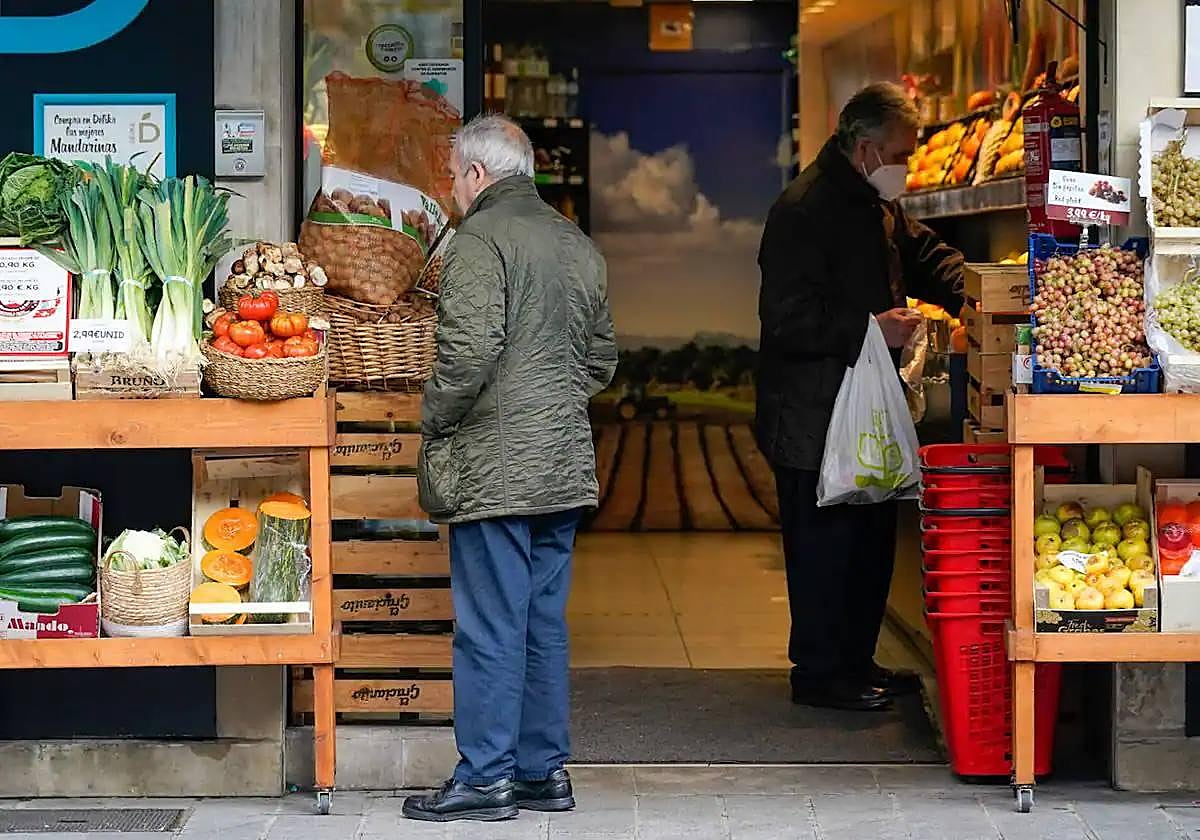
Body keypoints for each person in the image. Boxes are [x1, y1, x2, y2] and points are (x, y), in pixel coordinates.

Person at [404, 114, 618, 822]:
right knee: (542, 623)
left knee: (490, 624)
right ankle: (542, 774)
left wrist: (433, 416)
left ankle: (486, 776)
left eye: (454, 177)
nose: (454, 190)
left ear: (475, 175)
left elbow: (467, 354)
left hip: (496, 471)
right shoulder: (576, 243)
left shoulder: (478, 241)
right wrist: (550, 406)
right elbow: (601, 361)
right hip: (560, 466)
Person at [756, 82, 964, 712]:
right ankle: (820, 674)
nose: (907, 163)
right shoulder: (803, 209)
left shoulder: (876, 206)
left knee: (869, 539)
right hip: (813, 413)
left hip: (863, 408)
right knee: (823, 546)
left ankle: (856, 661)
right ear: (866, 147)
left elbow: (925, 253)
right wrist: (872, 327)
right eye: (902, 153)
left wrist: (974, 290)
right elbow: (786, 320)